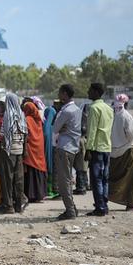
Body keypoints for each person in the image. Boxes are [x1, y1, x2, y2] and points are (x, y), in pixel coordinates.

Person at [52, 84, 82, 220]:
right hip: (73, 148)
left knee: (64, 181)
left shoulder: (66, 111)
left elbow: (55, 128)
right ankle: (72, 208)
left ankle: (70, 210)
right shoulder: (77, 109)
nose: (59, 96)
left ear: (65, 94)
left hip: (64, 147)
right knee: (68, 179)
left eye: (60, 93)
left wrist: (62, 127)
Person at [85, 83, 114, 216]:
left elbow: (91, 131)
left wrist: (88, 149)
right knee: (104, 179)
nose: (88, 92)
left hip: (96, 148)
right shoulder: (109, 108)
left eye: (90, 90)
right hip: (107, 147)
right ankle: (104, 205)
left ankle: (100, 207)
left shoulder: (94, 108)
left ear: (96, 92)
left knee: (96, 179)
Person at [0, 93, 27, 214]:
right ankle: (19, 204)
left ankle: (8, 205)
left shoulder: (8, 116)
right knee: (18, 179)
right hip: (19, 150)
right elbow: (26, 133)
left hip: (8, 151)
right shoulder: (21, 115)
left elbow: (4, 136)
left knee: (7, 179)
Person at [109, 94, 133, 211]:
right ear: (126, 104)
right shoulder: (127, 116)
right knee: (130, 179)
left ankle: (105, 198)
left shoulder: (111, 115)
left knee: (112, 178)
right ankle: (130, 204)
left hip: (112, 151)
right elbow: (131, 135)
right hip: (127, 151)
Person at [22, 102, 47, 203]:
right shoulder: (39, 120)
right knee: (37, 171)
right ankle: (39, 194)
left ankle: (31, 194)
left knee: (30, 172)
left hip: (31, 149)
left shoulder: (27, 119)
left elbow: (26, 134)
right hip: (39, 150)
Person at [74, 103, 90, 195]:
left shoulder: (82, 118)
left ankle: (81, 187)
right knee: (84, 166)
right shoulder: (88, 118)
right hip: (85, 141)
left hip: (81, 141)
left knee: (80, 166)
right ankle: (85, 185)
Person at [43, 103, 58, 198]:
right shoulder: (54, 126)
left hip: (46, 150)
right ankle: (51, 189)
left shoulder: (44, 125)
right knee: (52, 167)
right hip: (52, 150)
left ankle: (48, 189)